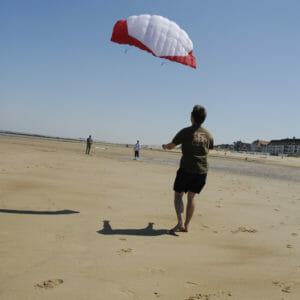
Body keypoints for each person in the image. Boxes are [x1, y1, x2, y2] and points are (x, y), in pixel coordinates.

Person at [162, 105, 214, 233]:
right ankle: (186, 225)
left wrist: (165, 146)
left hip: (186, 169)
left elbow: (171, 146)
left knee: (178, 196)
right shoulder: (208, 134)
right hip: (202, 171)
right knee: (191, 197)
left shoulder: (186, 131)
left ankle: (180, 221)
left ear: (192, 117)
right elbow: (209, 148)